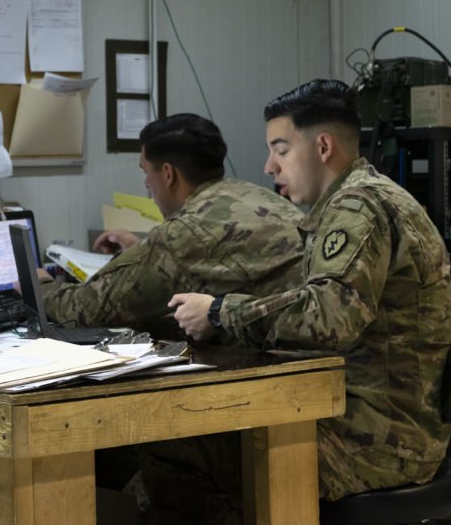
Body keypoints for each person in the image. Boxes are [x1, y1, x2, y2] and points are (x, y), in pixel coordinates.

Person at [167, 79, 451, 519]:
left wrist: (221, 312)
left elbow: (328, 318)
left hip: (379, 442)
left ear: (322, 147)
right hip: (390, 420)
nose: (269, 166)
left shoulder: (357, 209)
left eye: (280, 150)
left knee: (180, 444)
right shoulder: (373, 196)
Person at [41, 113, 304, 340]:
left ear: (168, 174)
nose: (146, 183)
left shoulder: (182, 234)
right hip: (312, 339)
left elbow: (88, 310)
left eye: (146, 171)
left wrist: (42, 286)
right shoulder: (251, 194)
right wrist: (142, 250)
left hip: (281, 359)